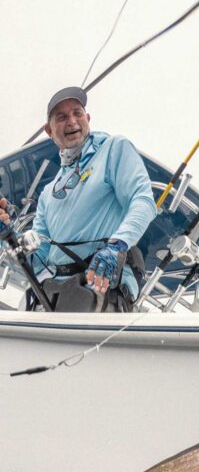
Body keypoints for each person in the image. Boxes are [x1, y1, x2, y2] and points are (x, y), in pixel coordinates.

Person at [0, 86, 157, 310]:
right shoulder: (48, 193)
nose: (72, 121)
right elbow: (37, 262)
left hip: (99, 285)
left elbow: (143, 202)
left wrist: (116, 246)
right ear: (49, 130)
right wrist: (7, 235)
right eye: (61, 117)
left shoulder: (113, 148)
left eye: (77, 113)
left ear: (88, 118)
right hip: (56, 290)